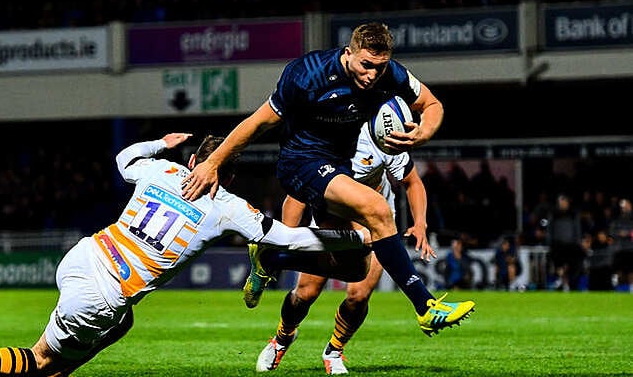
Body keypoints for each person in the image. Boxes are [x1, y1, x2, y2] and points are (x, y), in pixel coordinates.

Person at [0, 133, 375, 377]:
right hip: (107, 290)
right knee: (41, 363)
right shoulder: (228, 206)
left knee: (121, 327)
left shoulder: (161, 171)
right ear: (228, 172)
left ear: (192, 160)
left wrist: (159, 142)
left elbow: (124, 161)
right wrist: (353, 240)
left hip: (84, 255)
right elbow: (286, 240)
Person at [181, 22, 475, 337]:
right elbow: (257, 123)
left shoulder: (392, 74)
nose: (372, 74)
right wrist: (213, 162)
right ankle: (425, 306)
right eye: (366, 65)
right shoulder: (307, 75)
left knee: (354, 267)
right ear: (348, 53)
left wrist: (423, 132)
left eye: (379, 67)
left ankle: (271, 256)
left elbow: (432, 104)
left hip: (337, 166)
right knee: (377, 208)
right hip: (300, 163)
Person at [253, 121, 435, 374]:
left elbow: (412, 181)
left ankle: (335, 350)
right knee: (305, 293)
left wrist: (421, 223)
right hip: (331, 225)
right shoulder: (325, 140)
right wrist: (286, 240)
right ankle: (283, 338)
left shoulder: (381, 137)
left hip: (377, 229)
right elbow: (296, 196)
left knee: (359, 295)